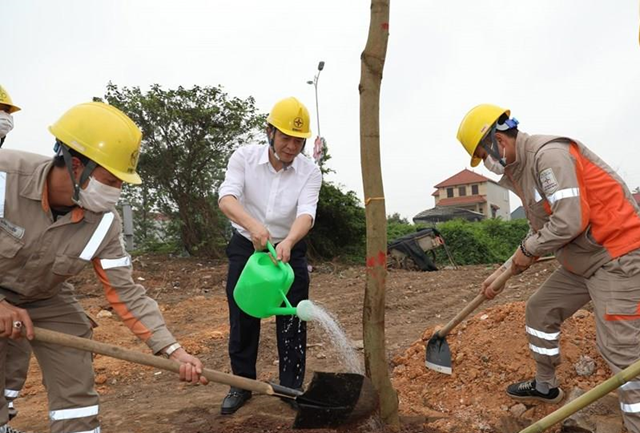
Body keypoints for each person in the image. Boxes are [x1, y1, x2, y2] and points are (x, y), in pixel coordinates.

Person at [0, 101, 208, 433]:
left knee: (76, 393)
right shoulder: (4, 176)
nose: (116, 192)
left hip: (46, 297)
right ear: (76, 164)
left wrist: (173, 350)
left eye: (121, 183)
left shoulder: (103, 224)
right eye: (111, 180)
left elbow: (126, 293)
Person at [456, 104, 640, 432]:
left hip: (615, 255)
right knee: (540, 310)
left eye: (482, 155)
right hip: (582, 259)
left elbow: (569, 220)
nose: (485, 164)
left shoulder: (549, 156)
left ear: (498, 140)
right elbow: (541, 228)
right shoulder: (522, 171)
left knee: (621, 351)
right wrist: (505, 270)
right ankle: (546, 386)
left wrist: (528, 250)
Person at [217, 97, 322, 415]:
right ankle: (242, 384)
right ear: (270, 132)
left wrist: (288, 240)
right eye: (286, 137)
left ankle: (290, 387)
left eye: (298, 140)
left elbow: (307, 213)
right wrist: (254, 227)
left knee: (291, 318)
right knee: (243, 315)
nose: (292, 146)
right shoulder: (244, 158)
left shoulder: (309, 171)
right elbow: (227, 197)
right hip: (246, 246)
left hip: (290, 249)